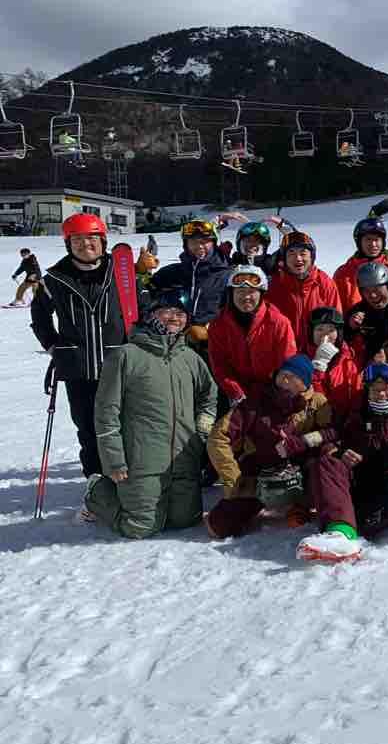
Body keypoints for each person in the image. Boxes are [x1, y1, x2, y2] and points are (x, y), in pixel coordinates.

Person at [85, 288, 218, 537]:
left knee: (186, 520)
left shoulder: (190, 358)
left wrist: (202, 430)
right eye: (167, 311)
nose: (174, 318)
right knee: (139, 527)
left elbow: (209, 395)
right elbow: (106, 411)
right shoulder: (126, 356)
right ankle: (96, 490)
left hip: (184, 458)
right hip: (141, 460)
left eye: (181, 313)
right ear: (151, 314)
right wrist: (114, 460)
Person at [296, 363, 388, 561]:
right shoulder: (355, 417)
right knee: (326, 463)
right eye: (375, 390)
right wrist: (339, 452)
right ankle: (340, 532)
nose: (381, 394)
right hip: (361, 483)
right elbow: (330, 438)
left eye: (386, 388)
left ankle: (359, 523)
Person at [30, 214, 128, 483]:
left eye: (92, 238)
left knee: (125, 426)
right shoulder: (54, 279)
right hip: (78, 369)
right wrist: (54, 346)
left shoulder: (122, 274)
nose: (86, 244)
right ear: (68, 244)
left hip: (119, 365)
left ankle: (127, 482)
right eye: (78, 239)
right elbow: (39, 316)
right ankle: (97, 484)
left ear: (103, 241)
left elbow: (140, 312)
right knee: (88, 428)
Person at [206, 354, 340, 538]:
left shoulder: (317, 403)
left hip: (301, 469)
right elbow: (218, 437)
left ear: (305, 383)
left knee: (327, 456)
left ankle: (304, 507)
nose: (284, 379)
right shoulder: (255, 403)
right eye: (282, 374)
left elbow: (333, 432)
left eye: (292, 376)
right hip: (261, 472)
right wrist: (234, 480)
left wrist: (301, 442)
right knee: (218, 526)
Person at [208, 265, 297, 408]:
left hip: (272, 392)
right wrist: (236, 393)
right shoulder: (218, 325)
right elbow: (220, 366)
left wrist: (277, 394)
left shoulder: (279, 323)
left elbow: (287, 365)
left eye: (252, 292)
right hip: (236, 393)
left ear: (261, 294)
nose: (246, 297)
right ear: (231, 294)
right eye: (240, 291)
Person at [149, 218, 232, 347]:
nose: (199, 246)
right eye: (193, 241)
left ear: (213, 243)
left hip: (212, 345)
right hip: (173, 342)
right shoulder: (173, 272)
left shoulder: (226, 276)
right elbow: (146, 292)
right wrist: (141, 271)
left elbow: (236, 315)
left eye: (204, 241)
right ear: (186, 245)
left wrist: (209, 330)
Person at [264, 231, 342, 346]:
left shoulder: (324, 282)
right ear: (284, 258)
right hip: (284, 350)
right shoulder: (273, 285)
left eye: (303, 253)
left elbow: (336, 323)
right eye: (291, 253)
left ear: (311, 256)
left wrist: (329, 349)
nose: (298, 258)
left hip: (317, 350)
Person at [332, 218, 388, 312]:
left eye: (377, 239)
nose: (373, 244)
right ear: (359, 242)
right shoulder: (344, 274)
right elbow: (336, 309)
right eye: (368, 239)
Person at [306, 306, 362, 421]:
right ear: (311, 333)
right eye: (319, 329)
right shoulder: (301, 359)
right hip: (316, 421)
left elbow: (356, 396)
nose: (325, 336)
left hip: (344, 422)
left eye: (331, 330)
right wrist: (318, 367)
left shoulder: (349, 360)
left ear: (339, 333)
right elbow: (307, 400)